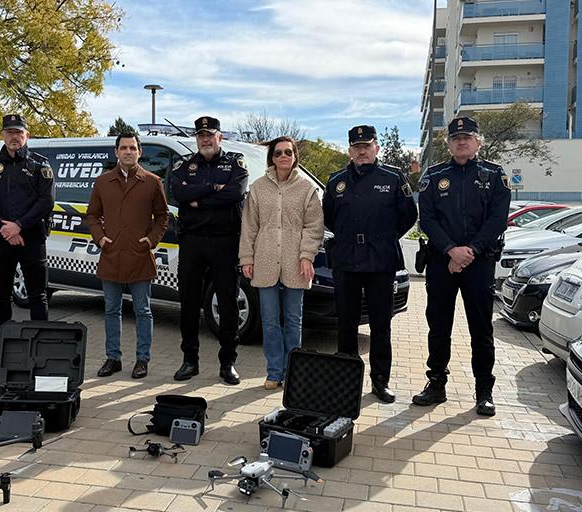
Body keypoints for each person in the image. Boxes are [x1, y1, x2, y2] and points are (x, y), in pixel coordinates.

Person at [413, 117, 510, 416]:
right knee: (438, 326)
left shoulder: (495, 175)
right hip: (442, 262)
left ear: (478, 141)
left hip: (479, 263)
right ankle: (436, 383)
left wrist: (470, 251)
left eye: (467, 137)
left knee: (481, 329)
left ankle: (484, 391)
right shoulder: (435, 175)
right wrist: (451, 251)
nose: (461, 141)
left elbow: (497, 219)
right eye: (456, 138)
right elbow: (427, 218)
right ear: (449, 143)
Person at [323, 125, 418, 403]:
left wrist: (383, 237)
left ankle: (380, 380)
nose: (362, 151)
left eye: (367, 146)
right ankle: (346, 380)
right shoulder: (336, 180)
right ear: (350, 150)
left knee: (380, 324)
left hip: (380, 260)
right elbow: (328, 217)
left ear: (376, 148)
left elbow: (408, 215)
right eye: (356, 147)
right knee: (346, 323)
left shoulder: (393, 177)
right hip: (347, 260)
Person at [239, 136, 324, 390]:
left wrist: (307, 255)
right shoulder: (258, 187)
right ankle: (275, 371)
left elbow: (314, 226)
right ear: (272, 158)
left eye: (288, 152)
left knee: (294, 319)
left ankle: (293, 373)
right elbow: (249, 226)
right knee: (269, 320)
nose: (284, 156)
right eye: (278, 153)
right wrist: (247, 258)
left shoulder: (307, 189)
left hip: (296, 262)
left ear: (295, 156)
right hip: (264, 260)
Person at [171, 116, 248, 385]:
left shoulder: (235, 163)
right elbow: (178, 194)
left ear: (220, 137)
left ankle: (228, 362)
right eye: (201, 135)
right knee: (189, 303)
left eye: (210, 135)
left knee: (227, 304)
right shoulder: (185, 165)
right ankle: (189, 361)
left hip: (225, 241)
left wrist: (197, 198)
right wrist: (212, 189)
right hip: (192, 242)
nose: (205, 139)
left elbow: (235, 193)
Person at [0, 114, 55, 369]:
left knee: (38, 295)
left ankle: (41, 353)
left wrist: (19, 225)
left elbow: (46, 201)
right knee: (1, 296)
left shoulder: (41, 165)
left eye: (19, 132)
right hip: (0, 239)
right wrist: (3, 226)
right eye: (9, 132)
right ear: (2, 136)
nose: (14, 137)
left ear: (26, 136)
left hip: (31, 238)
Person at [86, 133, 169, 379]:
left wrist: (151, 240)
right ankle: (113, 358)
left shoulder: (152, 182)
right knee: (111, 310)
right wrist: (100, 238)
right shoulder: (103, 182)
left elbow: (163, 217)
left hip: (139, 255)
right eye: (124, 148)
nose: (128, 151)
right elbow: (92, 215)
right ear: (116, 152)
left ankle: (142, 360)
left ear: (139, 152)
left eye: (133, 147)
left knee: (143, 311)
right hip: (111, 255)